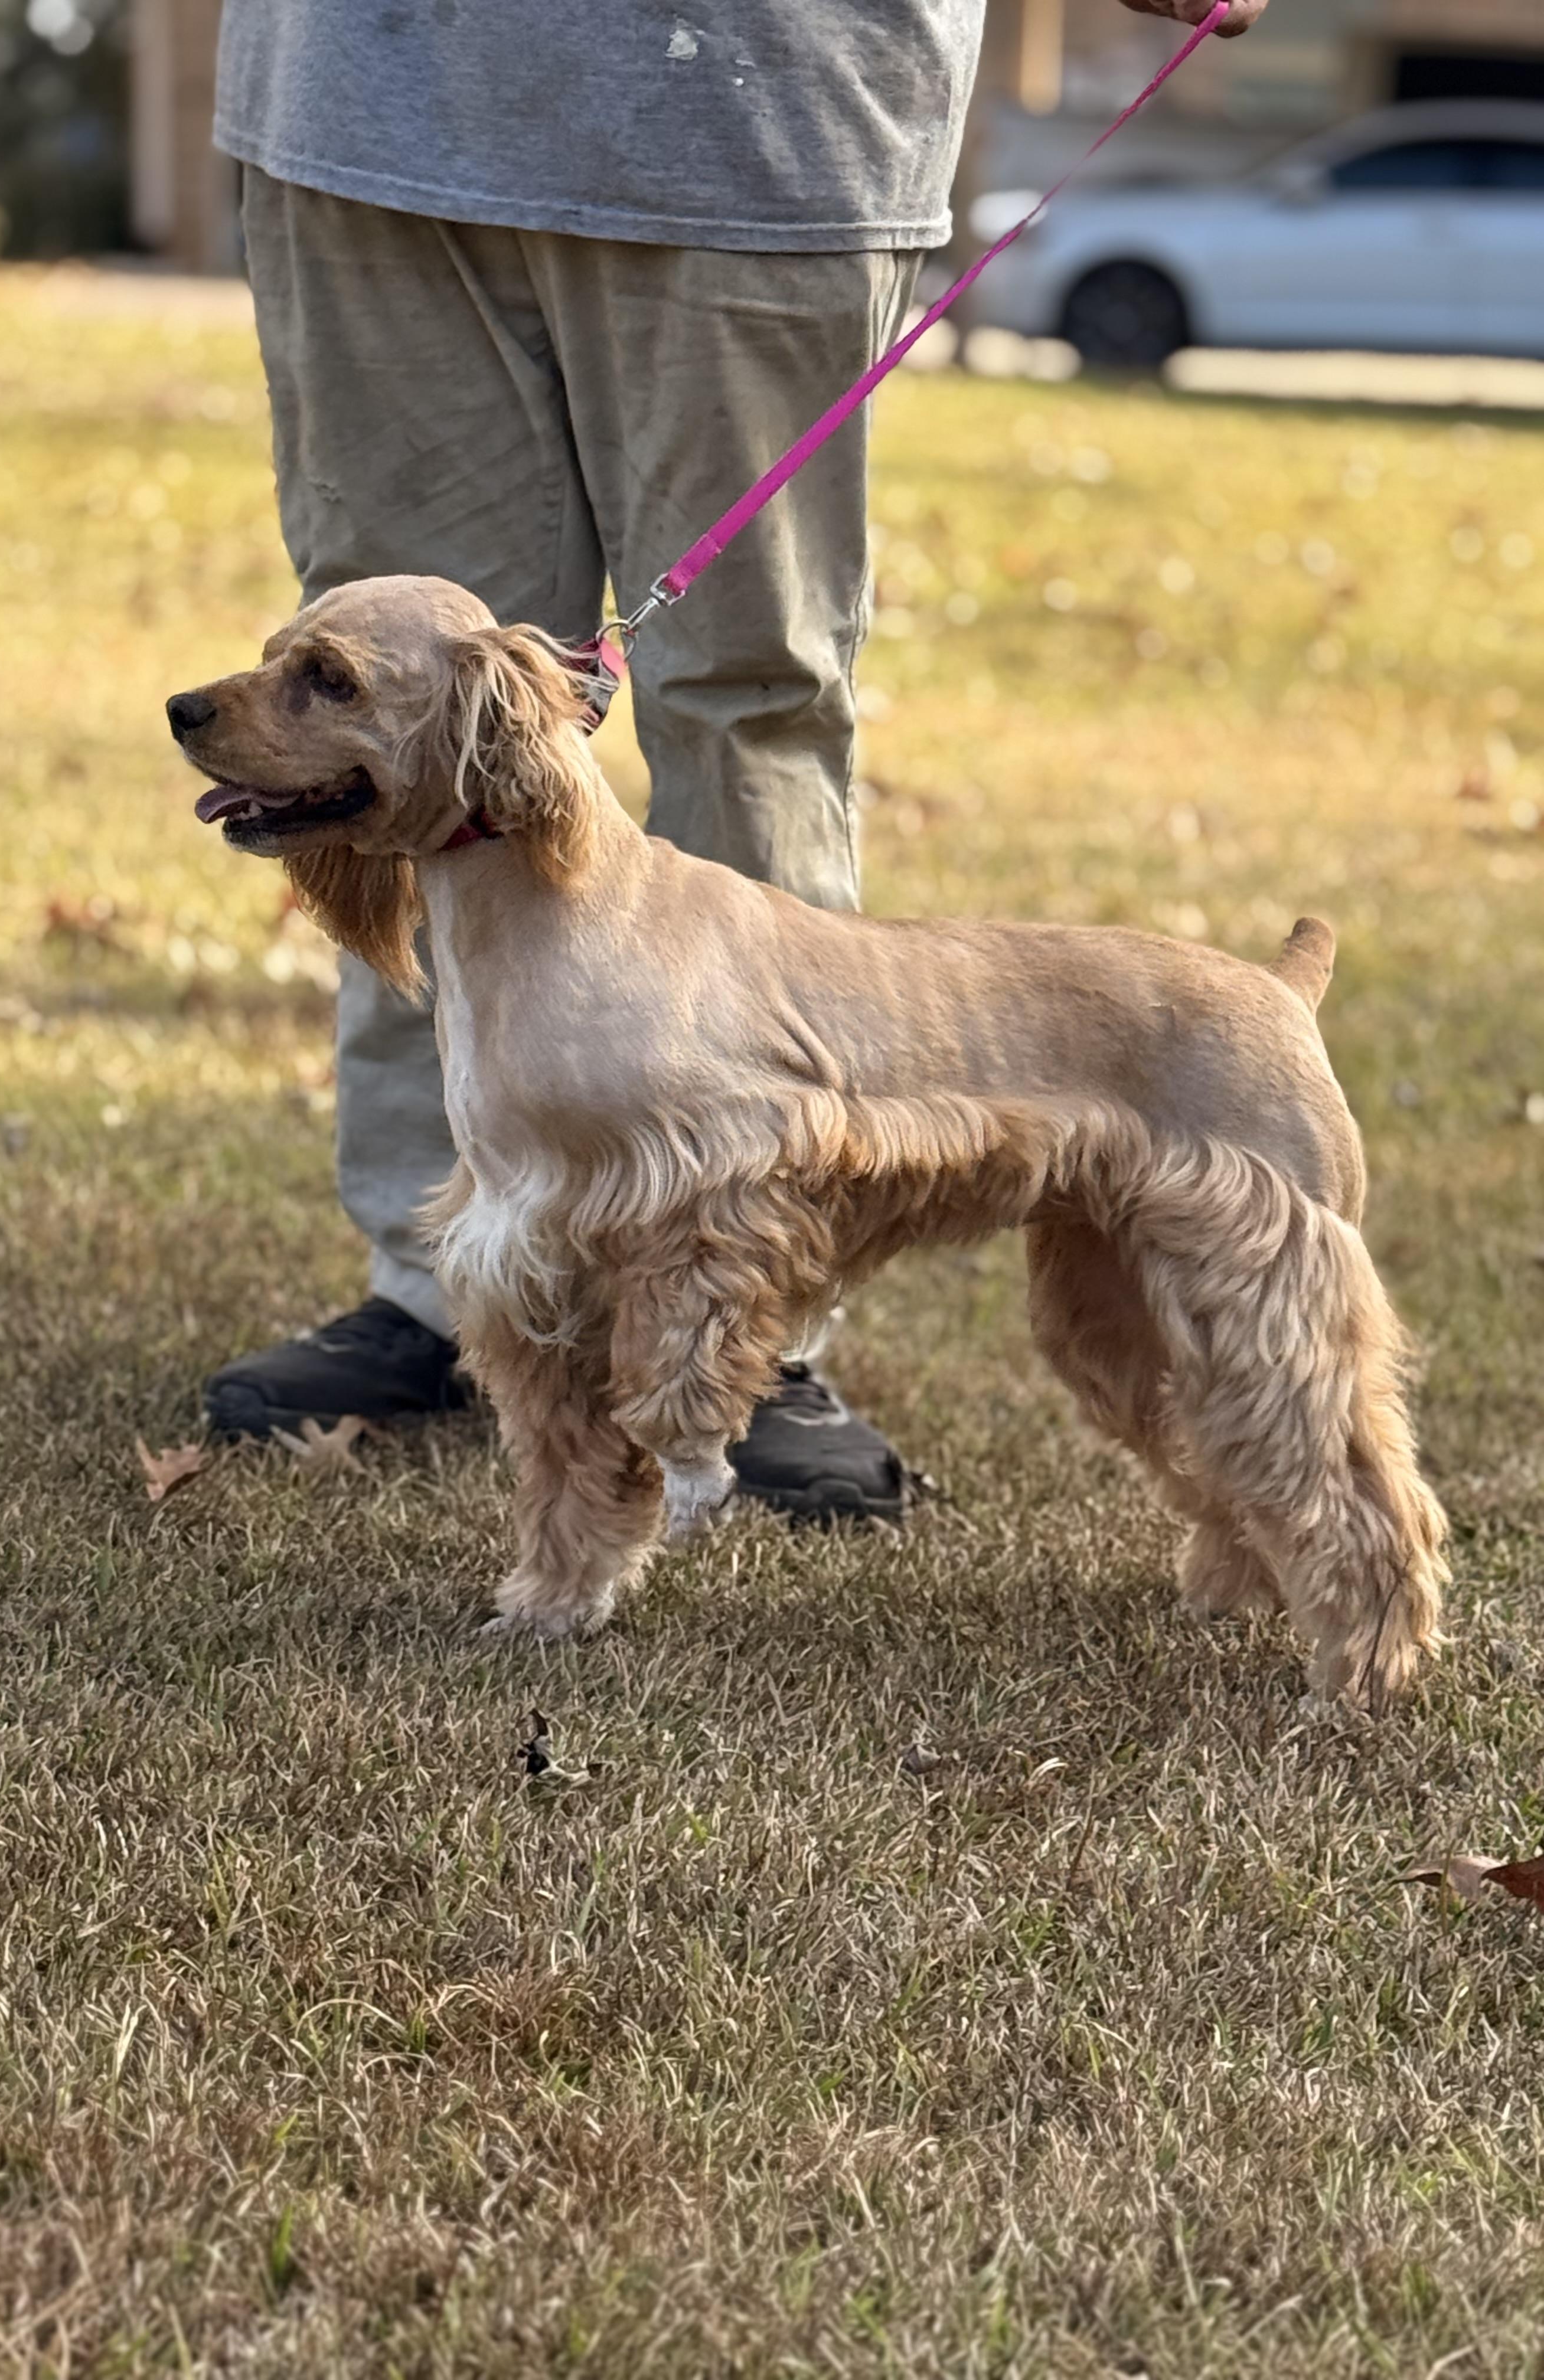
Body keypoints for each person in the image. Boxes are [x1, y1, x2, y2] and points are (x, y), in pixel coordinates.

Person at [203, 0, 1268, 1522]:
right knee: (382, 720)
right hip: (367, 94)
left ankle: (751, 1318)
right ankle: (454, 1283)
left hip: (754, 104)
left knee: (744, 691)